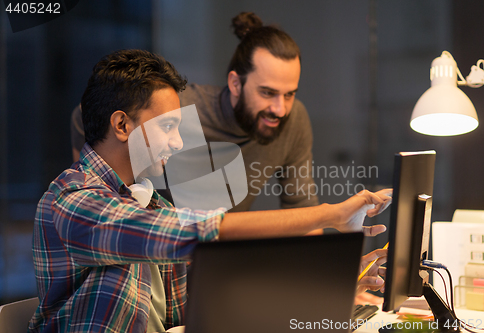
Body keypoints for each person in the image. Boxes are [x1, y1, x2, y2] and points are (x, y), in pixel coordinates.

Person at [32, 49, 391, 333]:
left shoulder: (148, 202)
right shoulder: (73, 200)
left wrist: (334, 279)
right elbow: (201, 232)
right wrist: (332, 213)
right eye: (168, 126)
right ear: (122, 124)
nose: (176, 142)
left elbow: (223, 283)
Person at [72, 12, 317, 212]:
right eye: (267, 93)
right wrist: (100, 195)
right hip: (167, 244)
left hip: (214, 252)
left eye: (289, 94)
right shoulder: (178, 106)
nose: (280, 109)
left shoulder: (293, 118)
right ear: (235, 84)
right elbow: (88, 113)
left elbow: (302, 209)